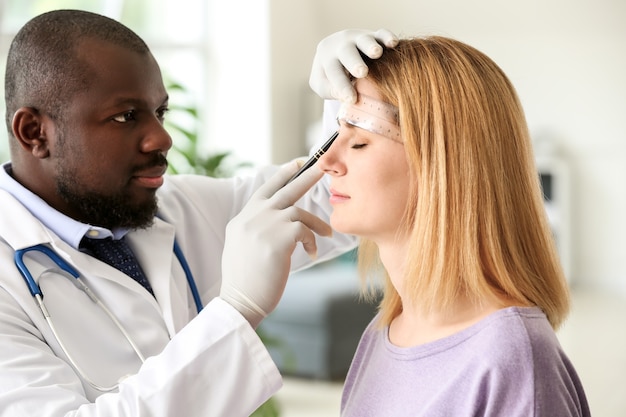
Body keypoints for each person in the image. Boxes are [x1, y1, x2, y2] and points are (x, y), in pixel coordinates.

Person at [0, 9, 399, 417]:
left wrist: (343, 100)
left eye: (161, 113)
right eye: (125, 117)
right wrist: (237, 309)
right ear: (35, 132)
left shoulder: (176, 207)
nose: (161, 138)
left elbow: (335, 199)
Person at [317, 36, 591, 416]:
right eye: (336, 134)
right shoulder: (388, 331)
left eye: (360, 142)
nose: (325, 160)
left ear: (442, 165)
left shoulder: (513, 361)